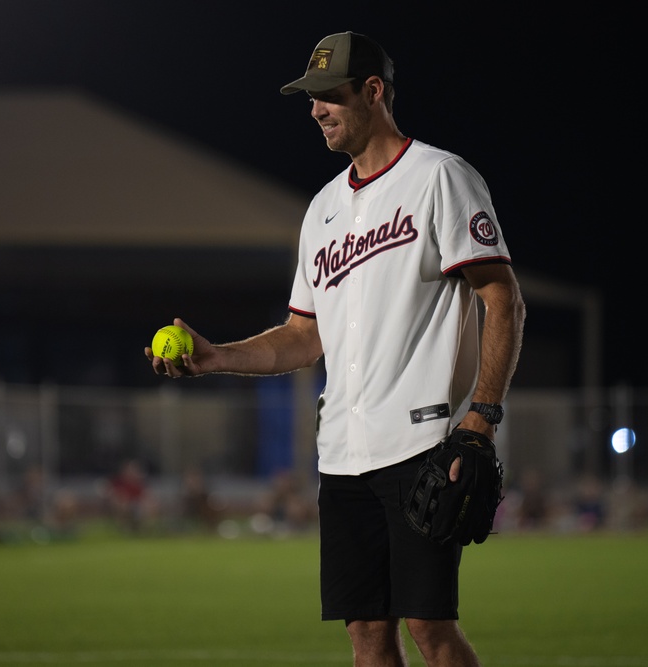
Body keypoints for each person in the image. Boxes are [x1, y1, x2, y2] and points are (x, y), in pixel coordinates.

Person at [145, 31, 524, 667]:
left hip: (420, 446)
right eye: (311, 98)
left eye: (330, 94)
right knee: (366, 637)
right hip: (343, 456)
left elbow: (501, 296)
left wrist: (481, 421)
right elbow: (302, 336)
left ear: (373, 92)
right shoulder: (322, 209)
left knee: (430, 629)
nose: (316, 108)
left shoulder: (440, 177)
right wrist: (215, 357)